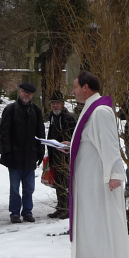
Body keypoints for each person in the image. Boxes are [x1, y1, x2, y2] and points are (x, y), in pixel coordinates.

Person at [66, 71, 129, 258]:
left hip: (99, 179)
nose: (73, 91)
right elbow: (90, 140)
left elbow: (111, 144)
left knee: (99, 220)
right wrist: (72, 146)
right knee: (89, 220)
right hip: (87, 179)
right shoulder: (90, 109)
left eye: (75, 87)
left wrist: (114, 173)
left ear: (86, 87)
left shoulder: (100, 110)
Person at [0, 82, 45, 223]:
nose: (27, 95)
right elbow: (4, 133)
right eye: (24, 92)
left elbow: (40, 132)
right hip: (15, 154)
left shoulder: (36, 110)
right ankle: (14, 212)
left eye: (29, 93)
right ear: (20, 92)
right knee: (14, 188)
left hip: (30, 155)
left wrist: (41, 151)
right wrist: (7, 152)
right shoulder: (11, 109)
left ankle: (27, 211)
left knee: (29, 188)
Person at [46, 90, 76, 219]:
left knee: (64, 183)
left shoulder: (68, 118)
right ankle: (61, 207)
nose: (55, 106)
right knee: (58, 184)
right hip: (55, 154)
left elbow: (73, 137)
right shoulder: (52, 117)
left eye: (57, 103)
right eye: (53, 103)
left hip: (65, 156)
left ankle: (66, 209)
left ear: (62, 104)